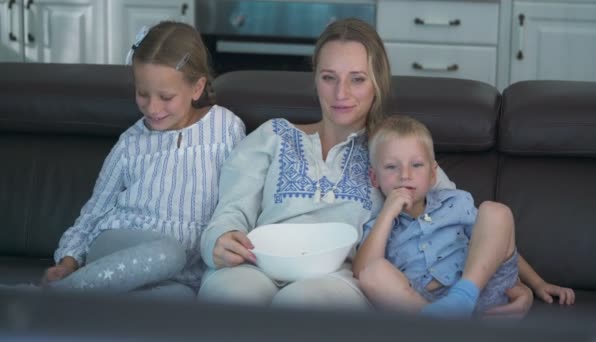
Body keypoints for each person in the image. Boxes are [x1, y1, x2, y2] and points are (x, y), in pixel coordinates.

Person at [197, 18, 539, 315]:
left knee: (301, 304)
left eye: (357, 79)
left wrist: (511, 281)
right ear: (315, 78)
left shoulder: (394, 153)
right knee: (231, 295)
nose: (341, 93)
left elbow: (461, 221)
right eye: (329, 77)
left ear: (377, 83)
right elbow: (230, 211)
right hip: (258, 264)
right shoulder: (272, 135)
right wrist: (220, 240)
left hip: (340, 279)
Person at [41, 21, 246, 298]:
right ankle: (54, 298)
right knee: (170, 251)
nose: (152, 108)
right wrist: (68, 262)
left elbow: (239, 197)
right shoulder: (130, 143)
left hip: (184, 276)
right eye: (142, 94)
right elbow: (94, 211)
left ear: (197, 88)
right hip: (118, 246)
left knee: (179, 301)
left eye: (166, 97)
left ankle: (80, 311)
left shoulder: (226, 128)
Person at [353, 115, 574, 318]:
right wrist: (388, 213)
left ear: (432, 175)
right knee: (373, 273)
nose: (405, 174)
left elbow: (495, 242)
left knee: (496, 212)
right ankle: (437, 323)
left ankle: (461, 298)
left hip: (481, 288)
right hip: (424, 303)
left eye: (417, 165)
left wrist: (537, 283)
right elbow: (362, 270)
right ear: (374, 179)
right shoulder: (379, 226)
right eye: (391, 167)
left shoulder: (455, 203)